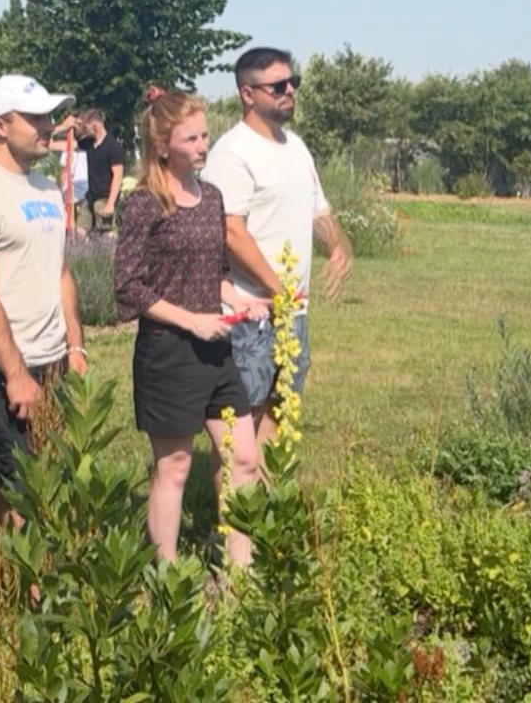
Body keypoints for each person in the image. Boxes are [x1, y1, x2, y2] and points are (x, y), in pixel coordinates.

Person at [113, 88, 269, 563]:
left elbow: (213, 273)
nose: (204, 145)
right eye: (192, 138)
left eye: (205, 134)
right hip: (169, 352)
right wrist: (191, 321)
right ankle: (167, 581)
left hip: (216, 349)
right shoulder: (144, 204)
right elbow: (128, 288)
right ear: (162, 145)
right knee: (175, 466)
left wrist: (238, 298)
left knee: (244, 457)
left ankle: (239, 573)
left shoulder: (212, 197)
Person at [0, 74, 87, 572]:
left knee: (16, 476)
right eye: (36, 118)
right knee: (21, 481)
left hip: (50, 359)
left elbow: (60, 271)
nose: (48, 126)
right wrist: (17, 373)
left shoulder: (47, 188)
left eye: (49, 115)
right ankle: (20, 592)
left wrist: (76, 345)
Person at [201, 47, 353, 447]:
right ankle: (233, 510)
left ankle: (268, 507)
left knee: (280, 413)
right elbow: (231, 231)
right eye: (278, 85)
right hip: (250, 311)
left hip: (292, 309)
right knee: (241, 428)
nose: (290, 91)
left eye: (293, 82)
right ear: (247, 94)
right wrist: (275, 288)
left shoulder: (296, 147)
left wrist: (337, 245)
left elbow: (317, 208)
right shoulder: (232, 153)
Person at [77, 108, 126, 235]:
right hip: (90, 196)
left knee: (104, 234)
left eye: (86, 128)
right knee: (80, 231)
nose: (84, 131)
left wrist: (110, 203)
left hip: (104, 198)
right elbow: (67, 144)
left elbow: (118, 175)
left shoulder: (112, 146)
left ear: (95, 126)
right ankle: (79, 254)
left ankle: (103, 254)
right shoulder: (89, 143)